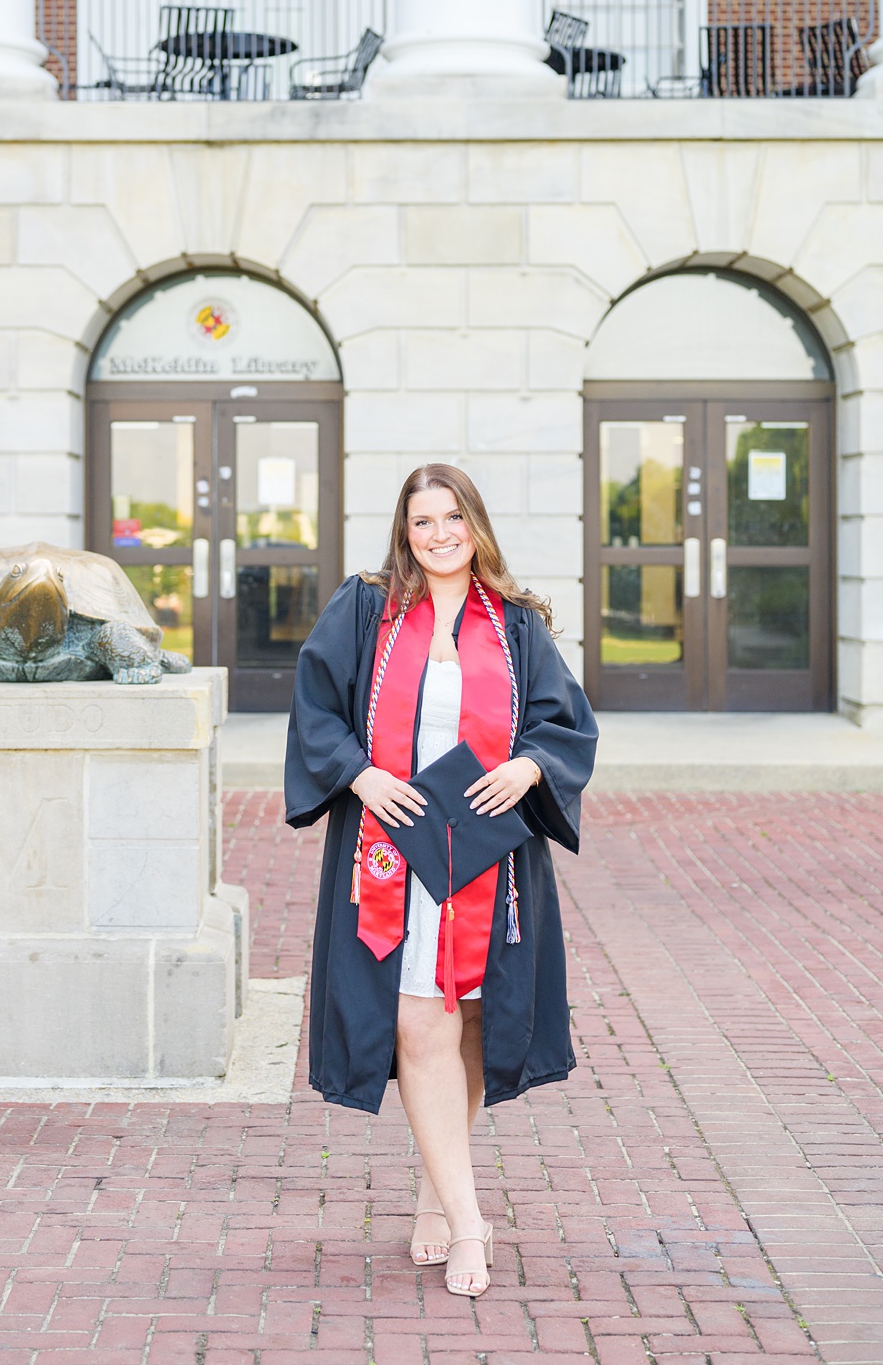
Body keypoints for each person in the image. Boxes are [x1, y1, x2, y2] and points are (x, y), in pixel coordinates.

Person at [284, 463, 596, 1300]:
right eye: (423, 522)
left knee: (467, 1025)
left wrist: (532, 768)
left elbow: (564, 724)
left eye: (451, 518)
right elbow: (316, 708)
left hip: (490, 851)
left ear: (475, 524)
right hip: (394, 846)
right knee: (419, 1024)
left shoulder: (517, 622)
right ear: (405, 532)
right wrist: (358, 776)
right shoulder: (368, 609)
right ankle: (469, 1224)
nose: (439, 534)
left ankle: (431, 1197)